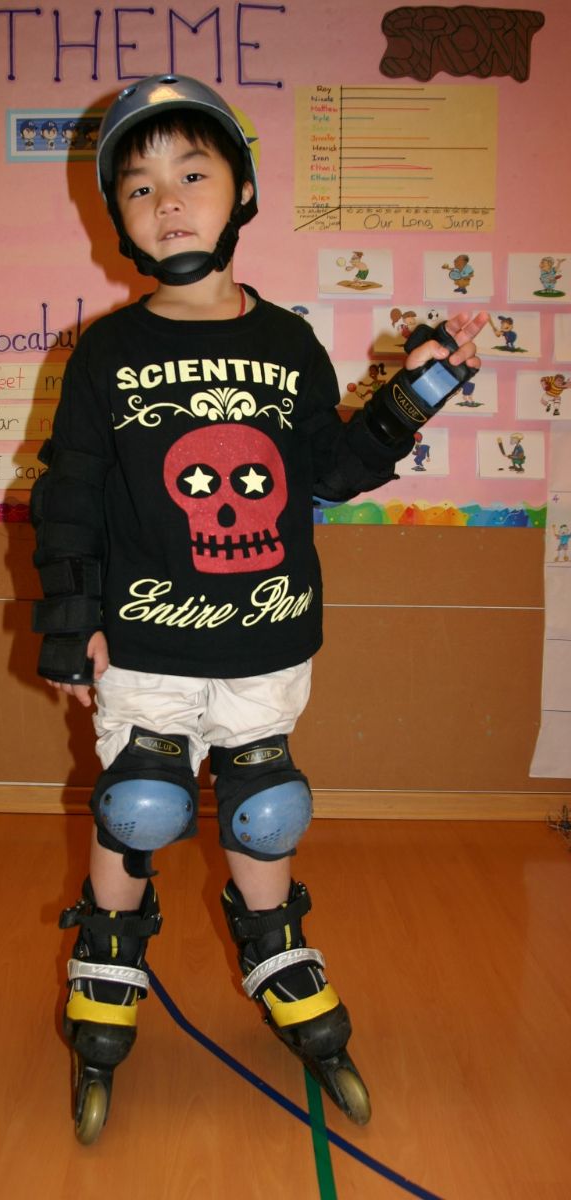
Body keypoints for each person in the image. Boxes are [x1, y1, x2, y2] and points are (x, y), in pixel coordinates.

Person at [29, 75, 486, 1142]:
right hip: (146, 637)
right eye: (139, 187)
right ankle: (105, 967)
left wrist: (412, 394)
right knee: (138, 806)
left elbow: (329, 470)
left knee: (263, 805)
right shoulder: (106, 353)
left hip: (267, 632)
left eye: (192, 174)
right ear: (118, 221)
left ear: (240, 191)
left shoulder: (286, 342)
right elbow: (70, 493)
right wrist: (67, 619)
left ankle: (278, 954)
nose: (167, 201)